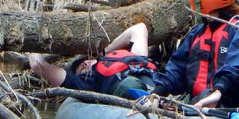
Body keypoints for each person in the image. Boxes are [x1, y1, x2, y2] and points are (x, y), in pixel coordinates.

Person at [28, 23, 157, 99]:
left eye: (86, 62)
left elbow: (139, 28)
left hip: (154, 81)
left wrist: (103, 52)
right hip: (128, 87)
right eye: (82, 70)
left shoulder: (136, 58)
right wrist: (29, 40)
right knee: (131, 84)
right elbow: (37, 65)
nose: (85, 63)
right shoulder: (85, 84)